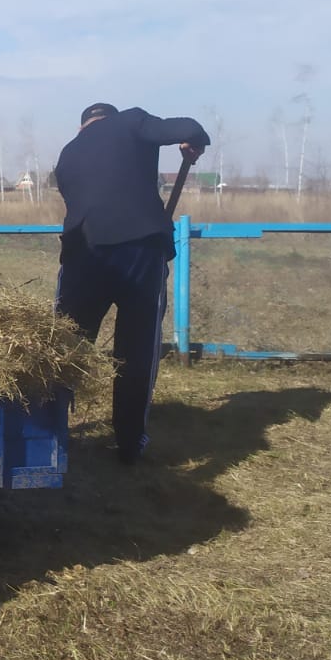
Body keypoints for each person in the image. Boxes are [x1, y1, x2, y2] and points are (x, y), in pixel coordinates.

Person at [53, 102, 210, 464]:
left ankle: (49, 432)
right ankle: (128, 443)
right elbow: (188, 124)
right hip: (139, 251)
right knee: (135, 353)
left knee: (63, 348)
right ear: (112, 118)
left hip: (83, 255)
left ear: (82, 128)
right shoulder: (132, 121)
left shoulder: (67, 153)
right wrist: (194, 142)